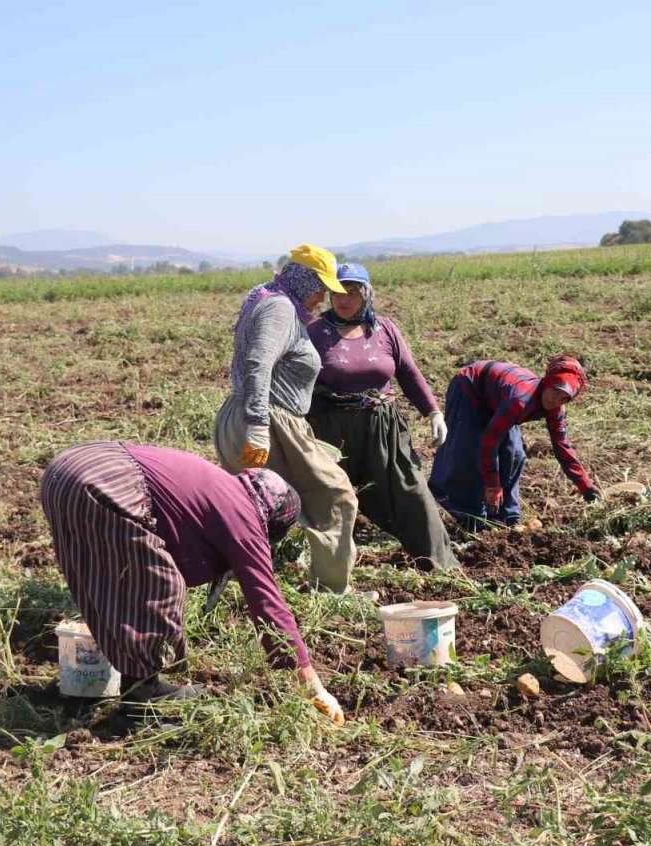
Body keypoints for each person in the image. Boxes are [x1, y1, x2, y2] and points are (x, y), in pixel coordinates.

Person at [39, 441, 344, 725]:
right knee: (159, 585)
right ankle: (143, 696)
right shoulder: (245, 516)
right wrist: (313, 688)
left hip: (65, 471)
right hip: (103, 479)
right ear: (269, 521)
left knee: (116, 575)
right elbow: (268, 606)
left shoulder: (223, 488)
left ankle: (127, 680)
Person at [214, 244, 360, 594]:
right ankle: (331, 590)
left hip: (253, 417)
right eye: (320, 286)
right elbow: (257, 363)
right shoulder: (280, 309)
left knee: (251, 506)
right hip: (271, 422)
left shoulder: (270, 298)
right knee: (335, 496)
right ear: (304, 279)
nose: (323, 296)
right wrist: (259, 424)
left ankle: (233, 585)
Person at [306, 263, 459, 570]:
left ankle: (440, 564)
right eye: (337, 292)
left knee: (411, 489)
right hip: (332, 429)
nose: (343, 299)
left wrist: (433, 412)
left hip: (383, 426)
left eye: (352, 292)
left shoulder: (384, 329)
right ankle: (331, 572)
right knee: (332, 499)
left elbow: (408, 372)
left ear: (366, 294)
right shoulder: (315, 332)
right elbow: (298, 379)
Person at [428, 356, 600, 529]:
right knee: (471, 452)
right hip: (470, 389)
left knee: (514, 454)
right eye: (555, 391)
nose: (556, 401)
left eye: (564, 398)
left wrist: (586, 487)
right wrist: (492, 486)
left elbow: (562, 447)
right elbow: (489, 443)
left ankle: (506, 519)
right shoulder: (520, 400)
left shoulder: (555, 408)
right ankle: (471, 518)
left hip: (498, 401)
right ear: (547, 382)